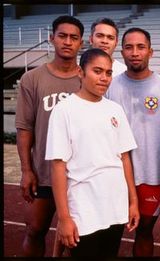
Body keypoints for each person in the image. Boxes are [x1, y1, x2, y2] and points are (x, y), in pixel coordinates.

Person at [45, 48, 139, 257]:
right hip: (84, 207)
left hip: (115, 204)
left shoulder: (115, 109)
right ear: (81, 72)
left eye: (108, 72)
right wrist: (64, 218)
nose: (104, 78)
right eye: (97, 71)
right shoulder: (64, 110)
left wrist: (133, 202)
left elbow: (124, 157)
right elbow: (58, 166)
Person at [105, 27, 160, 256]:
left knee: (144, 231)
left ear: (151, 51)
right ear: (122, 51)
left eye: (140, 47)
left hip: (152, 175)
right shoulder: (109, 86)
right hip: (114, 174)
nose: (135, 52)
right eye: (129, 47)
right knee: (110, 232)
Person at [14, 15, 84, 257]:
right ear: (51, 38)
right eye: (62, 36)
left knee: (77, 239)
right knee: (34, 230)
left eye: (73, 38)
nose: (67, 42)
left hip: (80, 175)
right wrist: (26, 170)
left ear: (81, 43)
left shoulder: (90, 78)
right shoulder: (31, 79)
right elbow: (25, 128)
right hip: (44, 173)